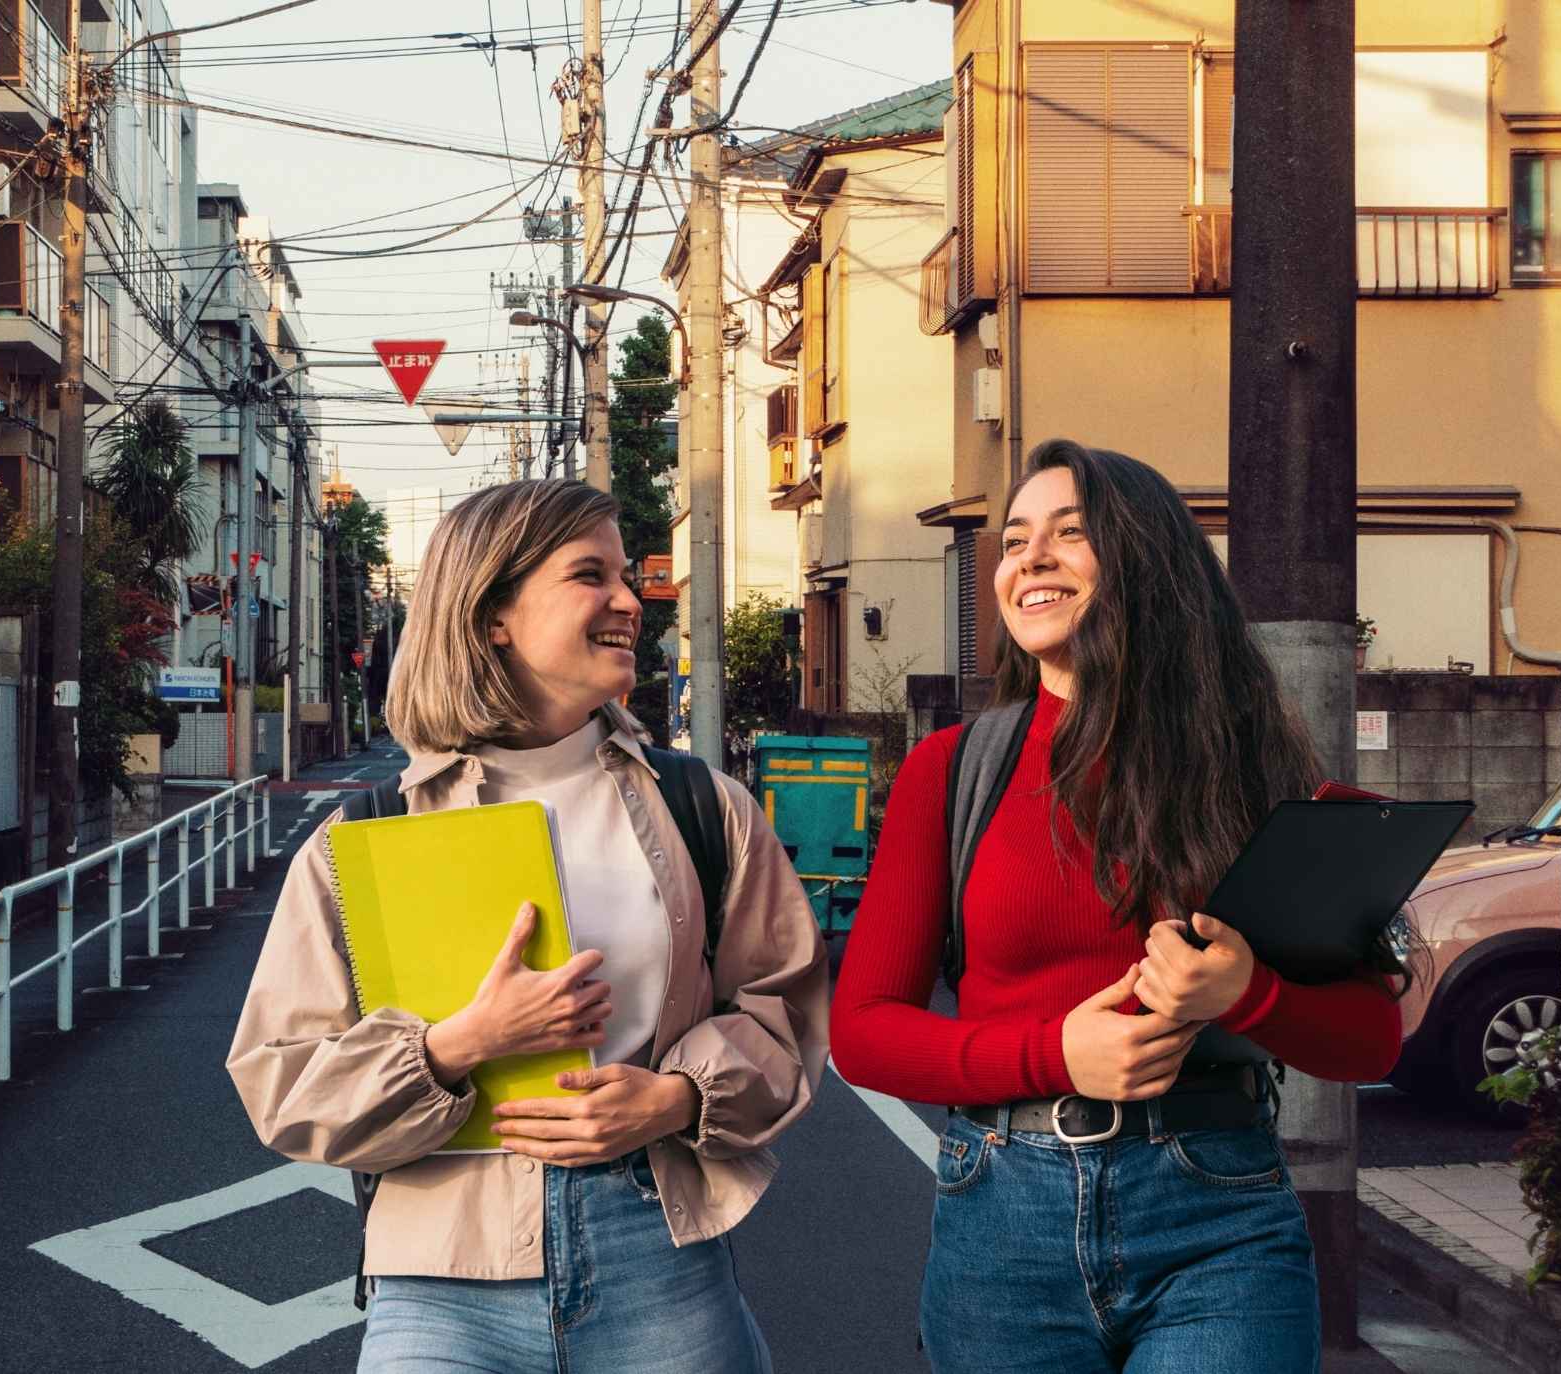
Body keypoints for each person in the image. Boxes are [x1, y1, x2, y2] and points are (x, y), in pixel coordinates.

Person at [831, 439, 1407, 1374]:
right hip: (999, 1221)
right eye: (1016, 542)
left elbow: (1370, 1041)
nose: (1030, 559)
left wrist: (1249, 993)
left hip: (1218, 1213)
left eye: (1070, 533)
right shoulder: (953, 771)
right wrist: (1052, 1052)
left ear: (1144, 558)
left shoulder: (1256, 770)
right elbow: (861, 1032)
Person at [228, 479, 827, 1374]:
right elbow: (280, 1078)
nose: (630, 601)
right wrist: (459, 1044)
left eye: (627, 576)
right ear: (492, 615)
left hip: (656, 1248)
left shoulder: (706, 808)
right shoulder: (369, 834)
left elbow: (785, 1014)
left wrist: (679, 1097)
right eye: (591, 575)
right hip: (441, 1266)